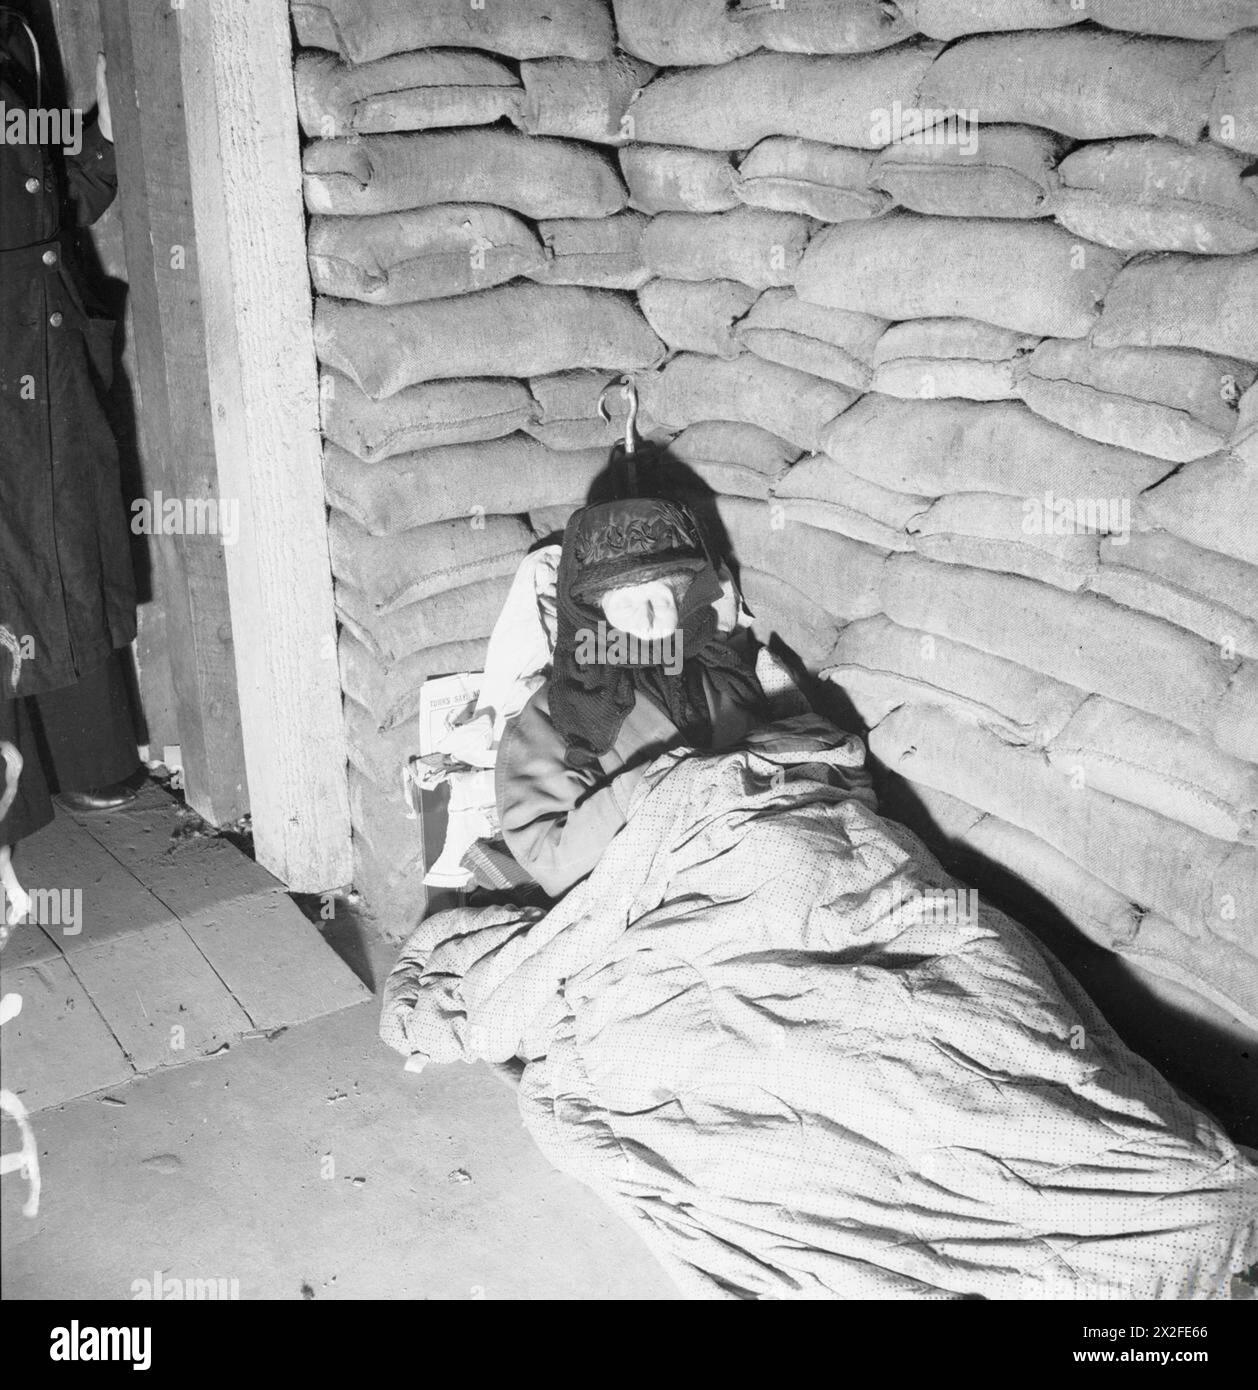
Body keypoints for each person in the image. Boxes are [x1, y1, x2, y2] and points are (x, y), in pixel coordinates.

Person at [1, 10, 141, 858]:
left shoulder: (18, 27)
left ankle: (90, 762)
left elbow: (38, 193)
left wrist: (98, 150)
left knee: (58, 547)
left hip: (38, 345)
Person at [496, 497, 768, 897]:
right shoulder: (553, 715)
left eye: (659, 599)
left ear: (684, 599)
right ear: (595, 613)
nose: (647, 620)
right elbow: (550, 862)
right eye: (625, 603)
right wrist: (659, 785)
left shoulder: (721, 670)